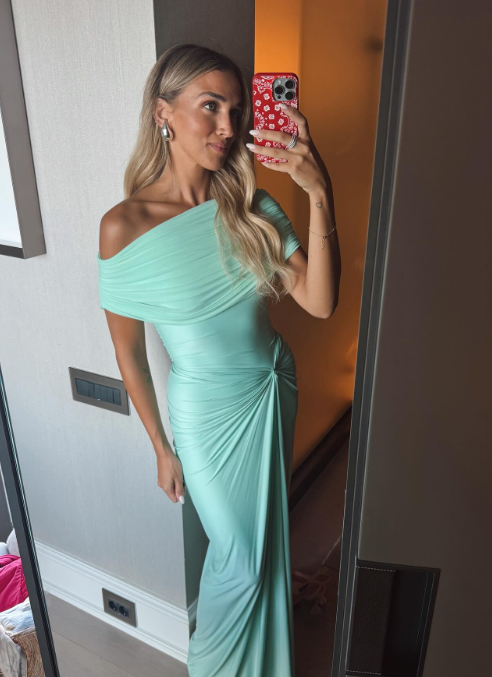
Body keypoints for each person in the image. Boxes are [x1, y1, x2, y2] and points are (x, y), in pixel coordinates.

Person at [97, 43, 340, 677]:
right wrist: (161, 447)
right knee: (240, 560)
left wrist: (319, 192)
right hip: (207, 414)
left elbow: (320, 303)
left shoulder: (253, 208)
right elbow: (128, 352)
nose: (228, 126)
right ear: (164, 113)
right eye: (210, 106)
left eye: (235, 109)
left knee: (263, 549)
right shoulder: (126, 225)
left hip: (272, 390)